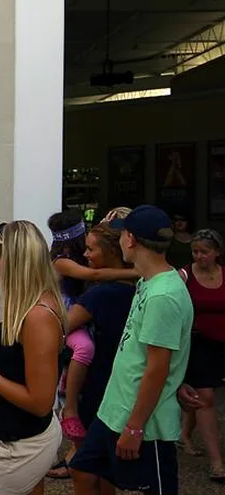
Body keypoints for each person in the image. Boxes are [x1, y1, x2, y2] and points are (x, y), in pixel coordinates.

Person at [70, 205, 194, 495]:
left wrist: (135, 427)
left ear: (131, 239)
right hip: (114, 409)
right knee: (83, 469)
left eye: (122, 233)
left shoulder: (164, 295)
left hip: (144, 423)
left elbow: (157, 367)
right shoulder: (148, 281)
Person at [0, 221, 66, 495]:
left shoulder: (38, 316)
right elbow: (20, 363)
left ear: (14, 263)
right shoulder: (29, 305)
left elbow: (41, 403)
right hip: (16, 434)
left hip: (21, 444)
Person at [46, 221, 137, 479]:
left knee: (91, 465)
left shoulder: (100, 294)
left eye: (91, 249)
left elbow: (62, 326)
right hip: (119, 373)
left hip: (99, 378)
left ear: (109, 252)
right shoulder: (138, 288)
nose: (86, 255)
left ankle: (71, 409)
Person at [177, 229, 224, 482]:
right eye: (195, 251)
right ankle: (217, 463)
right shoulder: (185, 275)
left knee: (203, 395)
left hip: (221, 343)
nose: (199, 256)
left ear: (217, 252)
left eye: (204, 252)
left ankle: (184, 434)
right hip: (198, 344)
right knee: (204, 397)